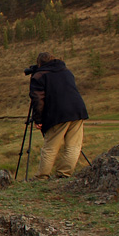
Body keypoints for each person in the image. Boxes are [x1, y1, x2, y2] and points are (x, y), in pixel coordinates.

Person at [28, 51, 89, 179]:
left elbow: (38, 100)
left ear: (39, 63)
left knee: (50, 146)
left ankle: (42, 176)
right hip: (77, 110)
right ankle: (64, 174)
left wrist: (38, 119)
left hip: (57, 113)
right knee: (73, 145)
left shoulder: (39, 76)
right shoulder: (66, 71)